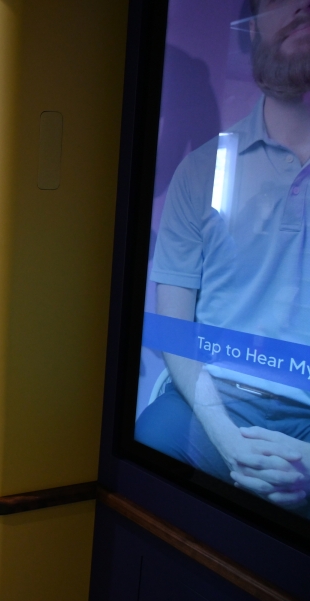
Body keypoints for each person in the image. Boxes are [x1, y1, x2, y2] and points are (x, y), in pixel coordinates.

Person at [135, 0, 310, 510]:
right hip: (210, 399)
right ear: (250, 29)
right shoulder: (202, 170)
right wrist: (227, 437)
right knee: (150, 453)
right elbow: (175, 328)